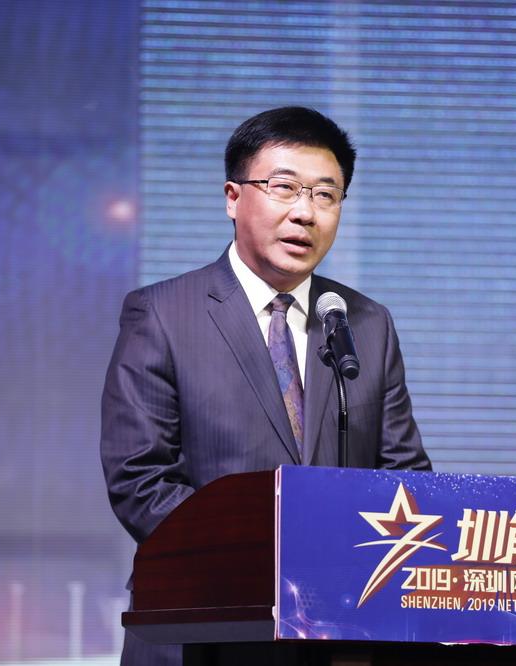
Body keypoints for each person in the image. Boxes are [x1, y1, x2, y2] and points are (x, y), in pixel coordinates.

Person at [100, 106, 431, 664]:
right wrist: (273, 561)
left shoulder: (364, 323)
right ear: (233, 197)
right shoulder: (162, 313)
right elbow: (140, 479)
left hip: (339, 632)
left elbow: (404, 477)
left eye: (326, 194)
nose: (305, 212)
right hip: (204, 624)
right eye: (284, 187)